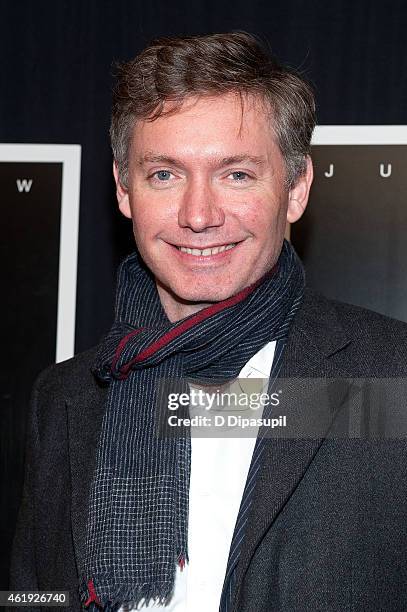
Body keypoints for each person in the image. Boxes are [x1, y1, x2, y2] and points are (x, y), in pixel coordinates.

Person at [10, 31, 407, 612]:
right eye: (165, 174)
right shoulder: (65, 397)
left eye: (236, 174)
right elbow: (34, 595)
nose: (199, 216)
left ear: (296, 188)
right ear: (124, 190)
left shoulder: (391, 380)